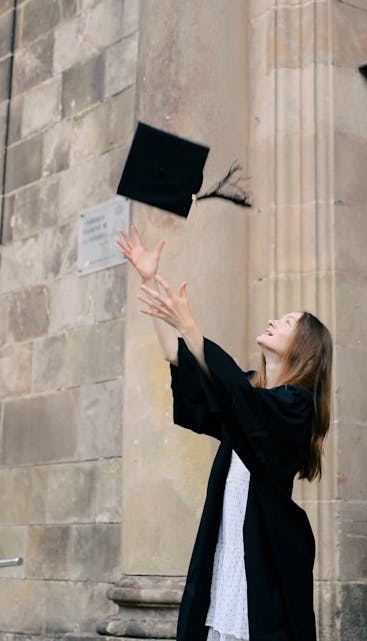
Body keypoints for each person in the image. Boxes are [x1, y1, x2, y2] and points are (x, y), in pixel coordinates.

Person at [117, 226, 333, 641]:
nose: (274, 320)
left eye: (287, 322)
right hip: (227, 551)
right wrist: (149, 281)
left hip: (263, 565)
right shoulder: (251, 393)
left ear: (303, 348)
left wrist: (189, 322)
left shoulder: (295, 407)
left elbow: (242, 400)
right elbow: (181, 359)